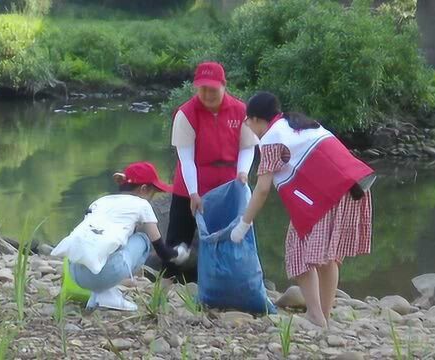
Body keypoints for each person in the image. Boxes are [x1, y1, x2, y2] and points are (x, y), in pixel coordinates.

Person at [231, 92, 376, 327]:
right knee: (328, 257)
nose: (248, 126)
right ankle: (323, 317)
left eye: (249, 121)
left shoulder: (271, 138)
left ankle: (316, 316)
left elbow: (262, 189)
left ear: (257, 119)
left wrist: (244, 223)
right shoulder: (297, 123)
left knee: (297, 253)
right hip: (353, 186)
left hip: (328, 193)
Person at [51, 162, 190, 311]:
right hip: (103, 275)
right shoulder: (142, 205)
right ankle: (105, 292)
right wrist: (180, 253)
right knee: (143, 240)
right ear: (144, 189)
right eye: (152, 193)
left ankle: (100, 294)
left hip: (75, 274)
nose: (151, 198)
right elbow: (163, 251)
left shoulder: (100, 202)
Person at [167, 61, 259, 261]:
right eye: (203, 89)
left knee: (227, 238)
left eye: (213, 89)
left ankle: (224, 282)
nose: (208, 94)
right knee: (177, 241)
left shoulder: (240, 110)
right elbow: (186, 159)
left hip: (227, 185)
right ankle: (166, 284)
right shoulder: (186, 113)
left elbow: (247, 147)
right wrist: (193, 192)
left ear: (223, 85)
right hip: (190, 183)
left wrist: (242, 172)